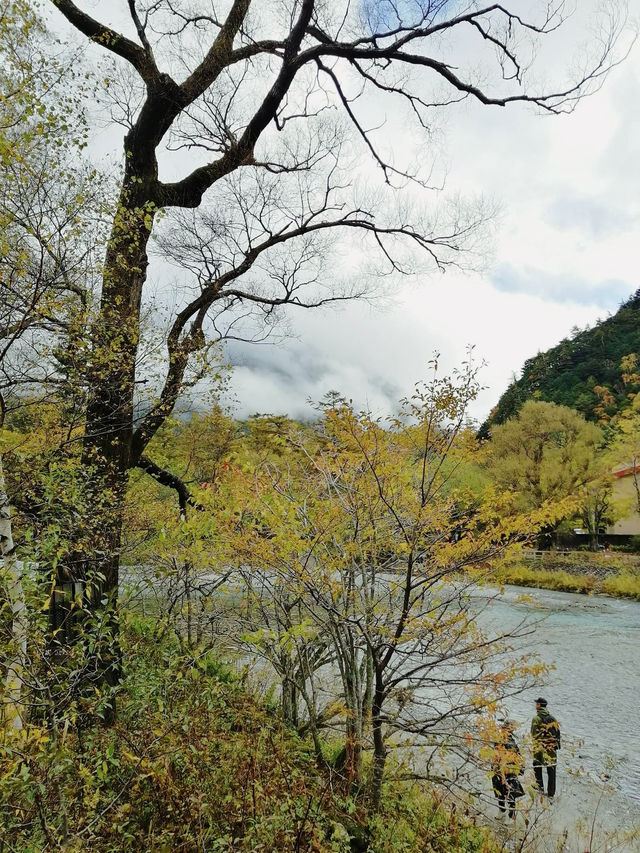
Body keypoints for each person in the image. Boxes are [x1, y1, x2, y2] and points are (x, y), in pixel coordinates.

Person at [492, 719, 525, 819]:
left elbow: (518, 756)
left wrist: (520, 769)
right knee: (500, 791)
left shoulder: (510, 742)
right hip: (499, 768)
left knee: (509, 792)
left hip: (508, 770)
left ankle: (511, 815)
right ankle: (502, 811)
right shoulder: (499, 739)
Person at [531, 697, 561, 799]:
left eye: (536, 703)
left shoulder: (536, 718)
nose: (535, 705)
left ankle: (539, 788)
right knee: (551, 770)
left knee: (537, 766)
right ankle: (551, 794)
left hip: (540, 747)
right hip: (551, 748)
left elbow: (534, 735)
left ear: (539, 705)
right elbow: (557, 734)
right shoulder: (553, 718)